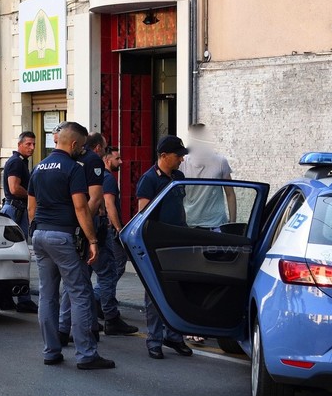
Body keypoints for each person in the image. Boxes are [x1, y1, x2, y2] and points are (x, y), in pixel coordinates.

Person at [27, 121, 115, 369]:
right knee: (79, 293)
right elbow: (80, 207)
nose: (83, 150)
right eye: (82, 146)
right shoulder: (73, 168)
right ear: (74, 143)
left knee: (47, 294)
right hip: (64, 236)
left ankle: (51, 351)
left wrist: (36, 230)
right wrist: (92, 239)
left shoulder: (38, 167)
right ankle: (86, 354)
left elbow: (32, 208)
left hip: (40, 235)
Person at [135, 135, 194, 360]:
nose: (181, 159)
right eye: (178, 156)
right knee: (155, 293)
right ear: (163, 156)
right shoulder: (149, 180)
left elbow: (180, 207)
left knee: (177, 290)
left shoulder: (178, 177)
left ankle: (174, 336)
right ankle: (154, 339)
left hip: (178, 240)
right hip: (157, 244)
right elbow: (143, 216)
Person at [179, 143, 237, 345]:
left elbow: (230, 193)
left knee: (209, 278)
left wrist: (232, 224)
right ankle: (193, 325)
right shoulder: (183, 163)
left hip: (213, 226)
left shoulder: (220, 162)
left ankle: (202, 323)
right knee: (196, 278)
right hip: (191, 226)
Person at [54, 125, 105, 345]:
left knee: (76, 280)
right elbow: (93, 200)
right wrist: (83, 229)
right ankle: (72, 331)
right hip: (75, 228)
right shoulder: (76, 161)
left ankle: (76, 328)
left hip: (74, 226)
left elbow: (93, 200)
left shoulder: (88, 160)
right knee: (78, 282)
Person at [95, 145, 138, 335]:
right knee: (114, 269)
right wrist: (119, 229)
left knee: (109, 270)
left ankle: (101, 303)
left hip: (103, 229)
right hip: (111, 231)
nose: (121, 162)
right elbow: (109, 204)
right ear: (107, 160)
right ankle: (101, 302)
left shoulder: (99, 178)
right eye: (117, 158)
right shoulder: (108, 179)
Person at [0, 131, 38, 313]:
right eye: (28, 144)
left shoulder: (21, 162)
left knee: (15, 256)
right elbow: (14, 188)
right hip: (16, 210)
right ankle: (20, 299)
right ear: (20, 144)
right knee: (19, 255)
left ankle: (10, 297)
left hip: (16, 210)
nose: (31, 148)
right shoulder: (16, 162)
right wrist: (34, 195)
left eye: (33, 144)